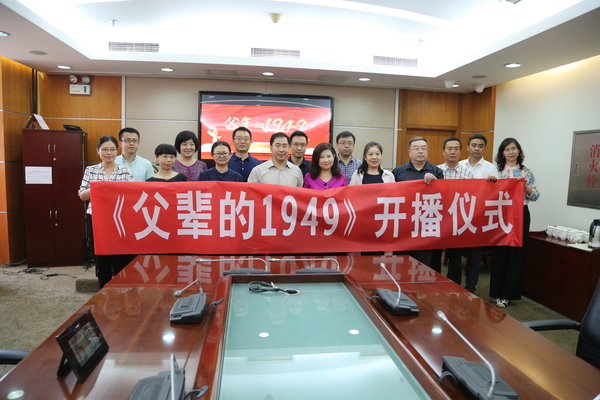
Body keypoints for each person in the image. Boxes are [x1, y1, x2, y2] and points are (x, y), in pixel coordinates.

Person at [490, 137, 539, 308]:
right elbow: (487, 193)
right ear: (502, 153)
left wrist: (525, 187)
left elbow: (536, 196)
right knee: (500, 251)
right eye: (507, 149)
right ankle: (496, 292)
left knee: (517, 252)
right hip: (501, 214)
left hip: (520, 214)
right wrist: (491, 183)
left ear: (519, 151)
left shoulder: (527, 171)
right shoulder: (495, 171)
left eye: (513, 148)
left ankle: (508, 294)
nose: (510, 152)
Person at [79, 136, 134, 288]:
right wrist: (98, 187)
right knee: (101, 256)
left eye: (112, 149)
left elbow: (131, 196)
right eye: (105, 149)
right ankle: (103, 291)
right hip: (96, 218)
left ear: (117, 151)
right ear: (98, 151)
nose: (109, 153)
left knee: (120, 257)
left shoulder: (125, 171)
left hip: (119, 219)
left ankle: (121, 290)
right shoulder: (90, 170)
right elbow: (82, 195)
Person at [392, 137, 444, 266]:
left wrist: (436, 183)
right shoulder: (398, 171)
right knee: (402, 263)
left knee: (422, 265)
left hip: (426, 225)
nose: (420, 151)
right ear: (409, 152)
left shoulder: (437, 172)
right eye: (416, 148)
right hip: (404, 225)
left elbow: (443, 197)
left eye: (423, 148)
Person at [431, 137, 476, 286]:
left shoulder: (468, 173)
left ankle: (454, 287)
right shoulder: (435, 171)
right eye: (449, 149)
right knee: (435, 255)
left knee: (455, 258)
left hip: (458, 220)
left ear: (460, 152)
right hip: (438, 219)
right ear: (443, 151)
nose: (452, 152)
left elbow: (471, 196)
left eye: (456, 149)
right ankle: (434, 285)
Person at [458, 133, 498, 291]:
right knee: (456, 254)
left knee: (475, 256)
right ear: (468, 147)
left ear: (484, 148)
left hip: (479, 216)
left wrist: (493, 183)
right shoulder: (459, 165)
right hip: (460, 214)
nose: (477, 148)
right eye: (474, 145)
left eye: (480, 146)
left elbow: (495, 193)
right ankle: (454, 285)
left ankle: (471, 288)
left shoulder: (491, 168)